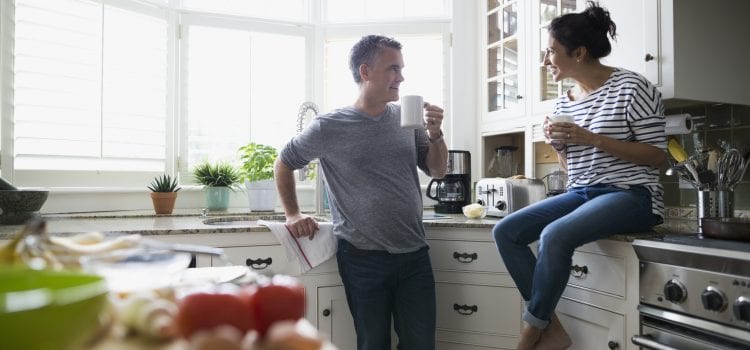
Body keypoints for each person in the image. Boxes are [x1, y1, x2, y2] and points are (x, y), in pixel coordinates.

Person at [491, 3, 666, 350]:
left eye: (551, 52)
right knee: (506, 231)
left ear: (580, 52)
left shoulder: (633, 87)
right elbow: (573, 172)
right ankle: (551, 328)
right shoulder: (563, 103)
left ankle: (529, 335)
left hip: (632, 194)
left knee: (554, 235)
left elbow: (657, 157)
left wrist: (591, 138)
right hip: (583, 191)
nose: (545, 61)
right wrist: (559, 145)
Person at [274, 35, 448, 350]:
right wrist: (293, 213)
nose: (401, 77)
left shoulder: (407, 119)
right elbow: (284, 162)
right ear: (365, 72)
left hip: (414, 254)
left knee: (421, 344)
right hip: (362, 259)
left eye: (402, 69)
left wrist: (435, 134)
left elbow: (437, 170)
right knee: (372, 344)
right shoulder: (329, 126)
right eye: (393, 69)